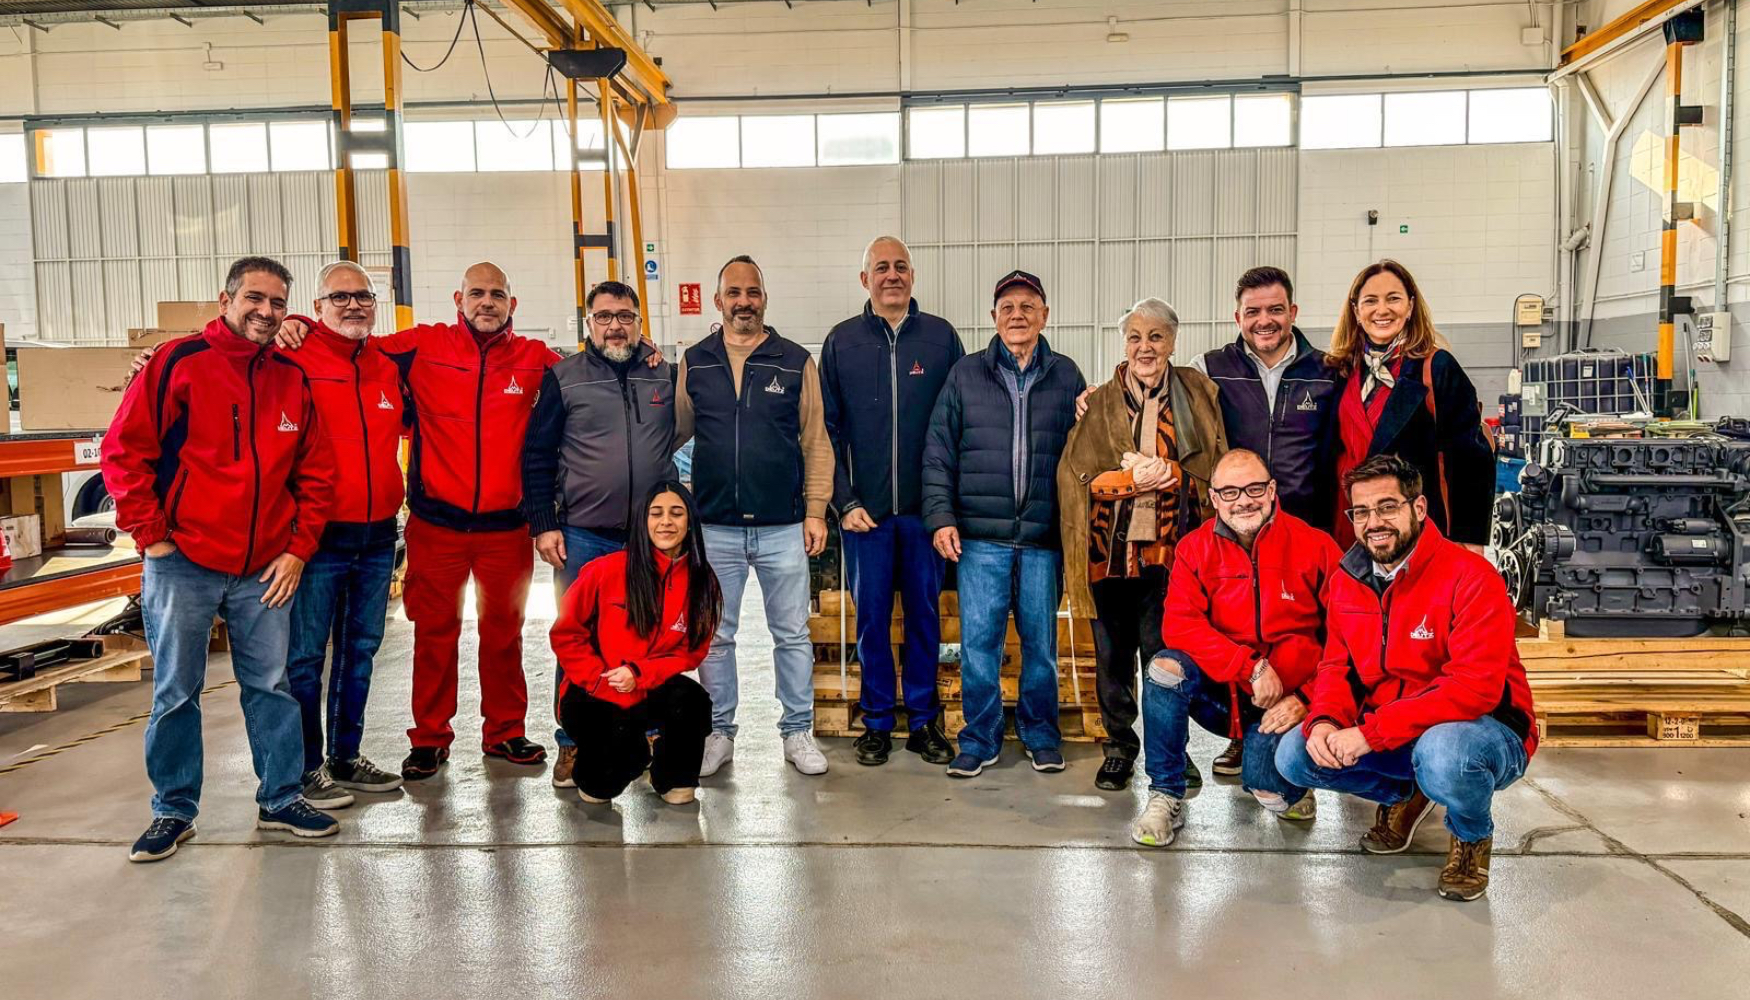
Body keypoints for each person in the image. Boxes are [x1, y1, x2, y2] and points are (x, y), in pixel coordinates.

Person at [280, 262, 561, 779]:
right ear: (458, 299)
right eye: (477, 293)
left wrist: (649, 354)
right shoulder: (420, 347)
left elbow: (587, 375)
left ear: (512, 304)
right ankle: (430, 737)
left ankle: (505, 731)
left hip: (506, 529)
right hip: (437, 526)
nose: (487, 302)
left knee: (505, 634)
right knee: (434, 634)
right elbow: (348, 339)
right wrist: (296, 320)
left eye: (497, 294)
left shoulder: (536, 361)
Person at [103, 256, 340, 862]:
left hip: (263, 565)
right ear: (226, 299)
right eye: (254, 299)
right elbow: (124, 451)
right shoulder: (177, 363)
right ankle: (173, 809)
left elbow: (315, 474)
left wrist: (296, 549)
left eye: (277, 303)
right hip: (183, 559)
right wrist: (151, 534)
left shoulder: (291, 376)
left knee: (271, 684)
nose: (265, 312)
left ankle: (282, 797)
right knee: (177, 689)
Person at [1276, 455, 1536, 901]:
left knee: (1444, 754)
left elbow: (1474, 688)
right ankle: (1408, 793)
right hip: (1397, 727)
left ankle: (1471, 835)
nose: (1374, 522)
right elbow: (1338, 667)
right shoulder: (1347, 581)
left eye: (1387, 507)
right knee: (1295, 756)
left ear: (1418, 508)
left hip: (1483, 729)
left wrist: (1371, 733)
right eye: (1361, 512)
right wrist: (1324, 720)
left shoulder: (1471, 577)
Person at [923, 270, 1086, 779]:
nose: (1017, 315)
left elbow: (1084, 452)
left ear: (1045, 315)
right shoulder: (965, 375)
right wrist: (941, 517)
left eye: (1028, 306)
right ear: (993, 317)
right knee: (979, 647)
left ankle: (1041, 735)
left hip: (1042, 539)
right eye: (1008, 307)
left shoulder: (1066, 375)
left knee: (1040, 647)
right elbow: (938, 452)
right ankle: (979, 738)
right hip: (979, 539)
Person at [1057, 298, 1225, 791]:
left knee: (1165, 657)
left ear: (1173, 342)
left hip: (1172, 558)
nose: (1144, 347)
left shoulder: (1197, 394)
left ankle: (1170, 751)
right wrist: (1120, 481)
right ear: (1124, 343)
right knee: (1111, 660)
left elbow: (1214, 458)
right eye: (1135, 337)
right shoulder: (1100, 400)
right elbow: (1075, 472)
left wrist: (1174, 472)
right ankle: (1118, 748)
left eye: (1155, 337)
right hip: (1108, 557)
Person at [1130, 450, 1338, 847]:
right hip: (1221, 696)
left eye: (1254, 488)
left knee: (1270, 793)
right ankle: (1166, 793)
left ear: (1272, 490)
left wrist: (1309, 699)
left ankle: (1287, 785)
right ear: (1214, 499)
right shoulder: (1194, 548)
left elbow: (1345, 638)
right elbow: (1180, 625)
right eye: (1229, 492)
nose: (1243, 500)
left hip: (1285, 704)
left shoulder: (1316, 546)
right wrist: (1251, 667)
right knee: (1163, 668)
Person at [675, 255, 834, 777]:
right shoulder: (695, 361)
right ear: (718, 302)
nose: (744, 301)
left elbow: (815, 441)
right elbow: (672, 434)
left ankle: (797, 732)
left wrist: (815, 511)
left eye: (753, 292)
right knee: (716, 636)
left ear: (764, 298)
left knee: (791, 633)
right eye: (734, 293)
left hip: (783, 525)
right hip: (715, 527)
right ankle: (719, 731)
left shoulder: (794, 361)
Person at [522, 280, 677, 789]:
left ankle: (650, 732)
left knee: (649, 637)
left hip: (649, 540)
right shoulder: (564, 379)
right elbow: (538, 456)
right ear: (588, 323)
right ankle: (573, 742)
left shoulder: (664, 378)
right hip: (584, 534)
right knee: (579, 641)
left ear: (639, 322)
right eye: (605, 316)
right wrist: (544, 525)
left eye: (626, 316)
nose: (616, 325)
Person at [820, 236, 963, 767]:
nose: (891, 275)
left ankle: (925, 721)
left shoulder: (942, 339)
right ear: (865, 280)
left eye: (900, 266)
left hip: (927, 518)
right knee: (872, 620)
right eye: (881, 267)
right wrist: (844, 500)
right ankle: (878, 720)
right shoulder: (841, 343)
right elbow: (824, 432)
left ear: (912, 276)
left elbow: (958, 427)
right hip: (866, 518)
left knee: (925, 617)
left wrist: (943, 507)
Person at [279, 262, 409, 806]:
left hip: (378, 535)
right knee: (306, 657)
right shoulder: (292, 355)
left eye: (363, 297)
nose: (353, 306)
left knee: (361, 649)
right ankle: (306, 767)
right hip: (317, 538)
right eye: (340, 297)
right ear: (317, 306)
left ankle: (346, 756)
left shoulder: (386, 362)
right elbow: (231, 341)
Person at [550, 481, 720, 805]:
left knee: (693, 702)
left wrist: (641, 673)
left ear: (689, 522)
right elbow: (566, 634)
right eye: (656, 514)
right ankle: (611, 766)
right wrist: (600, 680)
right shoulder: (605, 570)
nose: (666, 522)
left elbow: (692, 651)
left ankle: (671, 777)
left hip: (648, 684)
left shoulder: (701, 580)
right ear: (643, 522)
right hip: (595, 690)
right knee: (599, 791)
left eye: (676, 513)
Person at [1325, 259, 1492, 552]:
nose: (1382, 310)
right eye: (1370, 301)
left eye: (1393, 299)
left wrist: (1471, 541)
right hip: (1349, 524)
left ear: (1411, 306)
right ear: (1356, 310)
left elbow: (1470, 461)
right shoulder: (1339, 370)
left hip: (1414, 526)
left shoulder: (1436, 368)